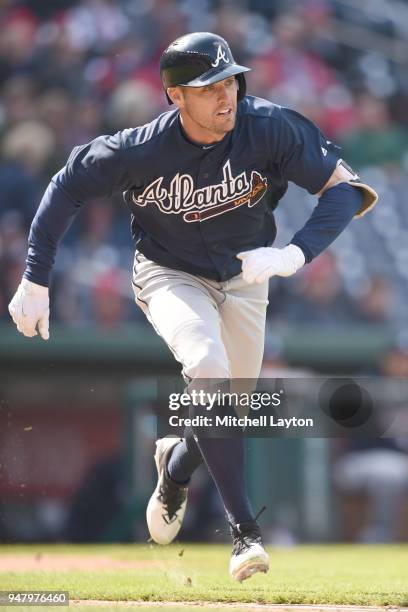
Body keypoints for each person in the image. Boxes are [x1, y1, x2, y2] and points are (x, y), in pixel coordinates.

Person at [8, 32, 378, 581]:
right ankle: (245, 534)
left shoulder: (269, 126)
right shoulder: (139, 148)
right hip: (168, 272)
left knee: (227, 412)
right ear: (175, 95)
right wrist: (36, 277)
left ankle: (175, 466)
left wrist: (294, 255)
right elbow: (66, 186)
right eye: (208, 87)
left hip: (245, 277)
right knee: (207, 367)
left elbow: (345, 190)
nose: (225, 95)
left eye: (230, 80)